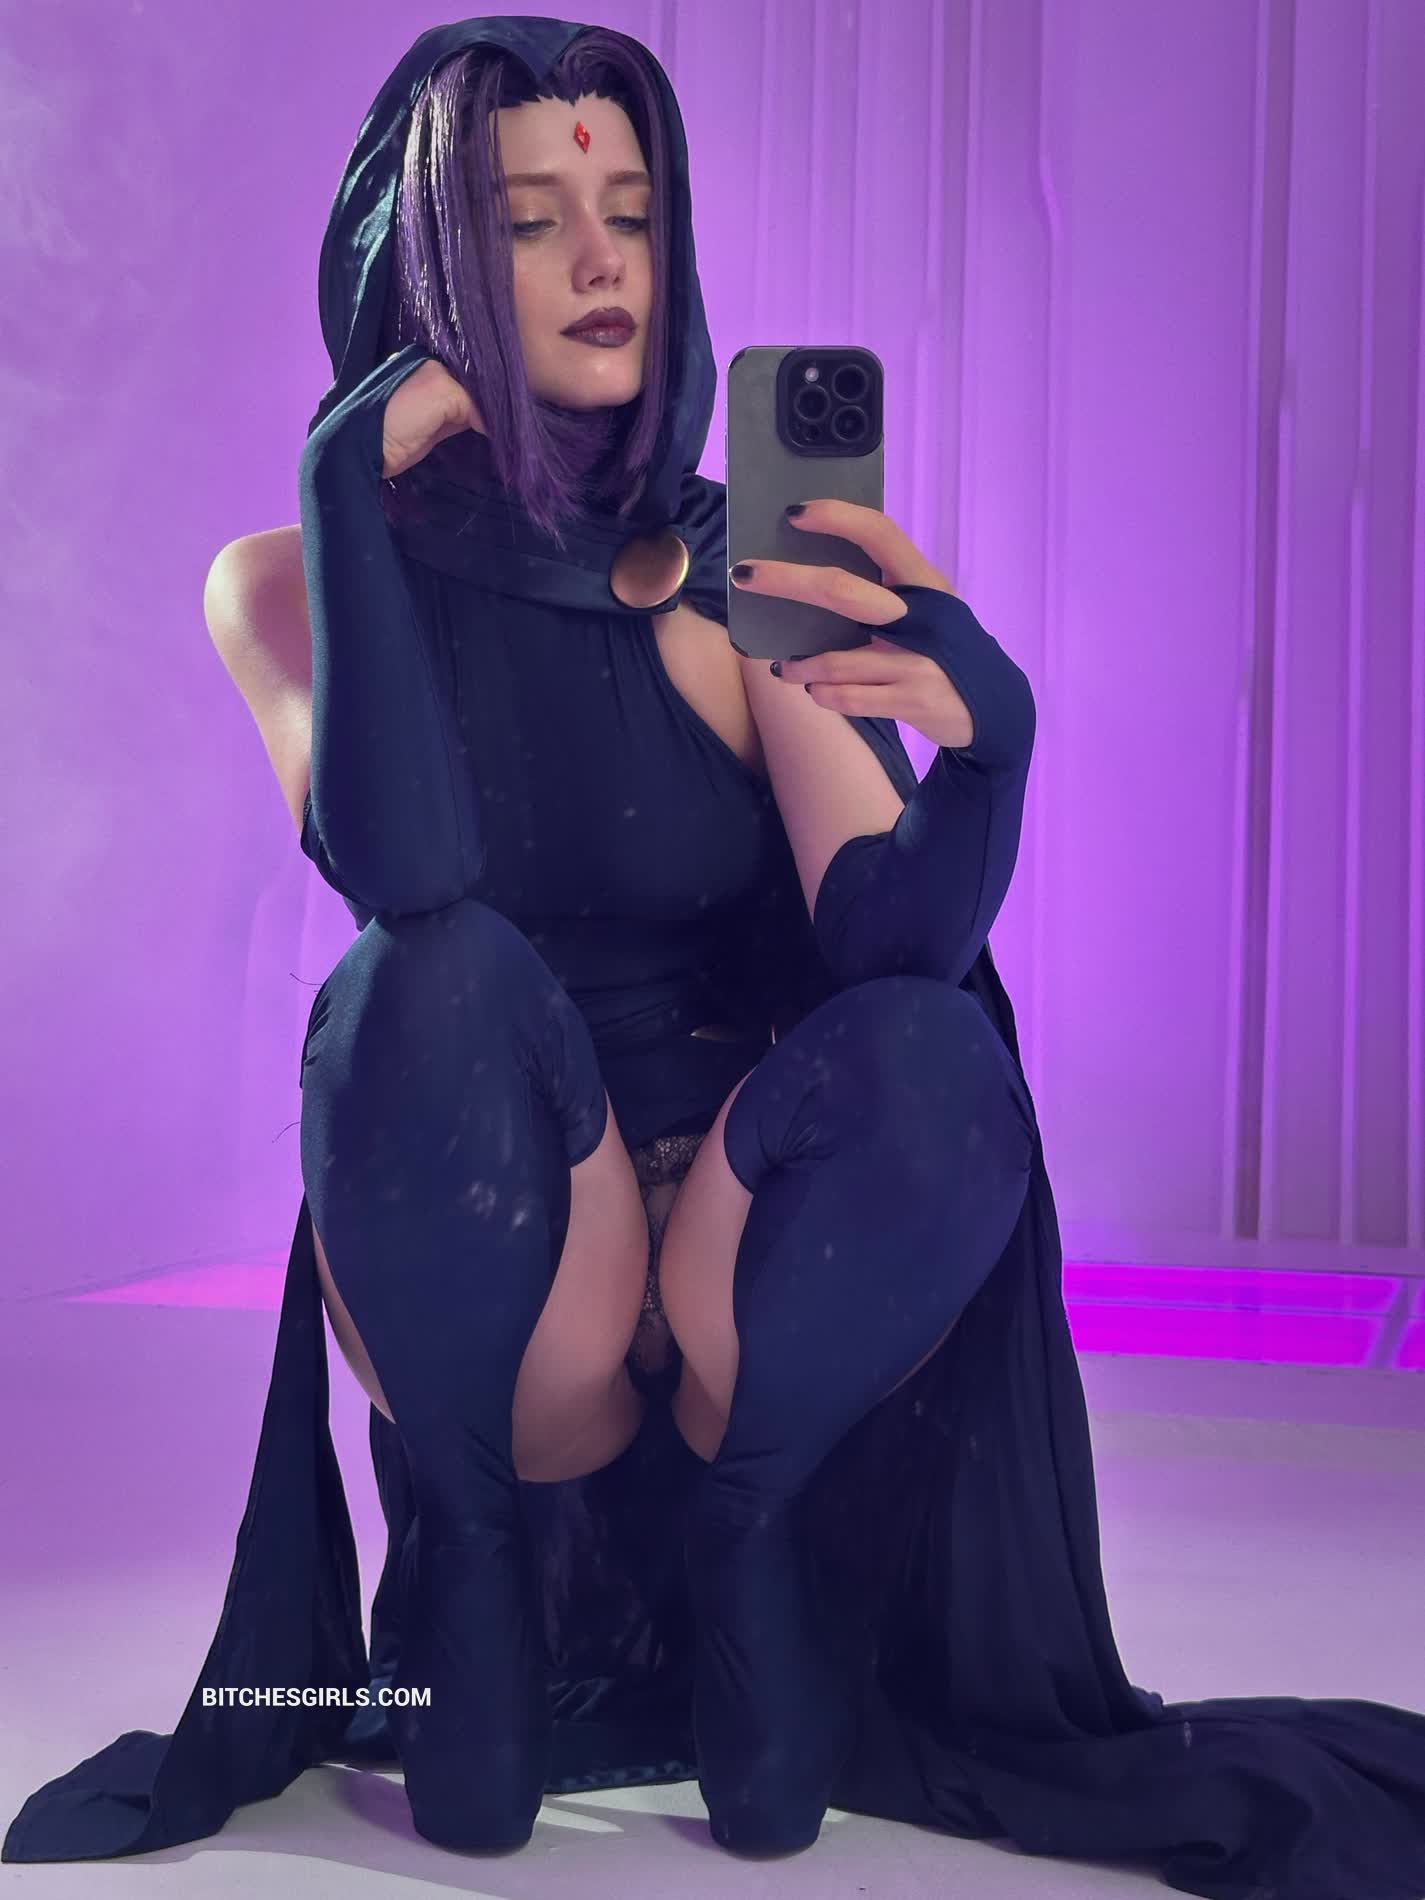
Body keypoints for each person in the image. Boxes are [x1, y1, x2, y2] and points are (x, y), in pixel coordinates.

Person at [6, 17, 1425, 1894]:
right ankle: (481, 1572)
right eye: (529, 220)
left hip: (740, 1258)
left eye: (632, 212)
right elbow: (405, 874)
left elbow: (893, 944)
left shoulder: (737, 569)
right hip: (509, 1253)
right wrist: (352, 496)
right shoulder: (282, 581)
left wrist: (988, 753)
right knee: (418, 980)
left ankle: (751, 1541)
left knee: (931, 1043)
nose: (602, 261)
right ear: (425, 266)